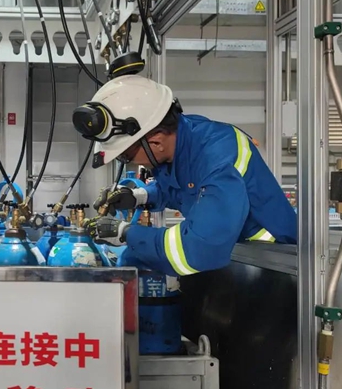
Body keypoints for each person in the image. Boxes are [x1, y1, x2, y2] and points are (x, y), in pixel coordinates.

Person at [72, 74, 297, 277]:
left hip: (275, 264)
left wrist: (125, 233)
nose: (129, 162)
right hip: (239, 256)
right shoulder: (186, 137)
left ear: (156, 142)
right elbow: (183, 188)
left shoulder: (219, 160)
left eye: (126, 155)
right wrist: (139, 196)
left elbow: (198, 249)